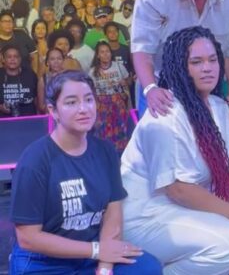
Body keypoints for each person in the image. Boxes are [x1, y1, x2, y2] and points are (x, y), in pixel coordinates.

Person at [121, 27, 229, 275]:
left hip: (184, 205)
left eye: (212, 60)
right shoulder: (164, 115)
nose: (207, 68)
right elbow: (178, 190)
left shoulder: (220, 108)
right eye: (196, 62)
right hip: (148, 215)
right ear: (180, 67)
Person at [9, 70, 162, 275]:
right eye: (71, 102)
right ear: (54, 111)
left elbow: (113, 211)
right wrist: (97, 250)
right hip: (43, 261)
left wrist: (105, 266)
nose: (84, 109)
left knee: (148, 267)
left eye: (89, 100)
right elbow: (28, 238)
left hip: (90, 254)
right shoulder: (35, 160)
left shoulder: (105, 151)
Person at [89, 41, 131, 153]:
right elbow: (91, 90)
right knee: (103, 131)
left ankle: (121, 154)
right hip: (102, 105)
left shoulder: (118, 66)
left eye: (107, 51)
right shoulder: (93, 72)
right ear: (97, 55)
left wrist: (125, 83)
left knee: (120, 129)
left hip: (118, 103)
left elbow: (128, 80)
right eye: (102, 52)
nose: (105, 54)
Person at [0, 44, 38, 117]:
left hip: (28, 119)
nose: (12, 59)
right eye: (9, 57)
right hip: (3, 122)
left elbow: (37, 99)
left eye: (16, 56)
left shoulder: (30, 75)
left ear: (20, 59)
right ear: (3, 59)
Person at [37, 48, 65, 113]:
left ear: (63, 60)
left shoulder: (70, 78)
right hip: (50, 116)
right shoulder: (43, 80)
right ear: (47, 62)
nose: (56, 61)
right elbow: (41, 106)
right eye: (52, 59)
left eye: (59, 59)